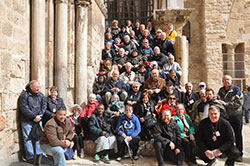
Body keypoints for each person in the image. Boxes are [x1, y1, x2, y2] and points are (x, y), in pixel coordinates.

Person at [18, 80, 46, 164]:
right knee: (27, 138)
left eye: (39, 87)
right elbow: (24, 108)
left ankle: (39, 155)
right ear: (31, 86)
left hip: (38, 119)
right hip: (27, 120)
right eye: (36, 87)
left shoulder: (40, 95)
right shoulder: (24, 95)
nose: (38, 88)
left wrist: (40, 115)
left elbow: (44, 105)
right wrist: (34, 117)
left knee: (38, 137)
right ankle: (30, 157)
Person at [218, 75, 244, 159]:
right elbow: (219, 101)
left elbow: (239, 103)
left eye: (228, 79)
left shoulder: (237, 90)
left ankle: (239, 154)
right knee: (227, 135)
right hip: (226, 116)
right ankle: (226, 152)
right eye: (224, 80)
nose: (226, 81)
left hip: (236, 115)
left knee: (238, 134)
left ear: (231, 80)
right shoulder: (221, 90)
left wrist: (226, 104)